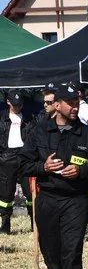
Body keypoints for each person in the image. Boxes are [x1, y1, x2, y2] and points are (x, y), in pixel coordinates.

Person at [18, 84, 88, 269]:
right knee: (51, 251)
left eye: (77, 102)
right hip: (47, 199)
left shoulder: (87, 134)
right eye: (70, 102)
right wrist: (43, 167)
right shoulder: (39, 132)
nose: (75, 106)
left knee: (71, 247)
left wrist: (81, 172)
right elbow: (23, 164)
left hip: (76, 200)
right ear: (56, 105)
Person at [0, 91, 34, 233]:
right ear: (8, 102)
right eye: (15, 104)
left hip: (24, 156)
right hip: (6, 157)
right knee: (6, 194)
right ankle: (5, 223)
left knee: (30, 192)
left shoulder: (29, 119)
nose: (17, 107)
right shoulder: (1, 118)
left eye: (20, 104)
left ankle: (34, 222)